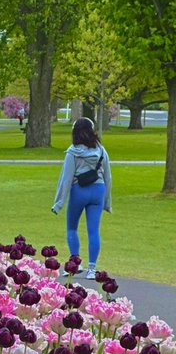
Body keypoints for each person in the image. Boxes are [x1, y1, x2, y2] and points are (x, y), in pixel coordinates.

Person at [52, 116, 112, 279]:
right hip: (98, 190)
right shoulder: (101, 150)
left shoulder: (73, 151)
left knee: (72, 228)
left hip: (79, 190)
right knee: (94, 231)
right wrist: (107, 202)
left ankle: (75, 263)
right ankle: (92, 269)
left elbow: (66, 178)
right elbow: (108, 176)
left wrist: (59, 203)